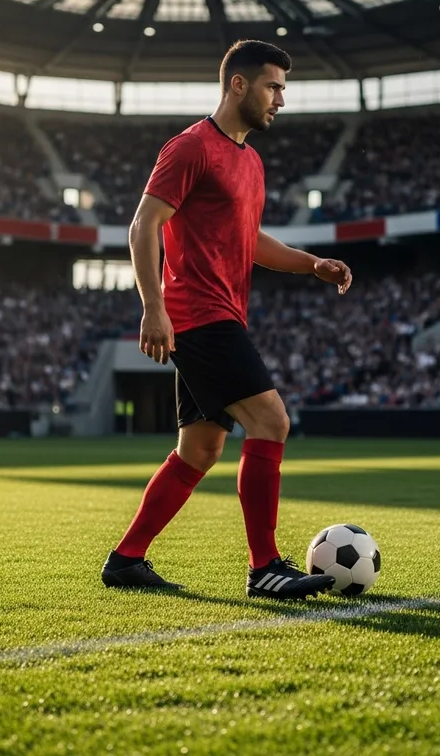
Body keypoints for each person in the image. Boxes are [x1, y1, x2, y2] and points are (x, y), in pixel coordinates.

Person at [101, 40, 352, 600]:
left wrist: (311, 263)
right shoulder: (191, 147)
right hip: (199, 315)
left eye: (283, 88)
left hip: (221, 313)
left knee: (201, 449)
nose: (281, 100)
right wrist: (153, 307)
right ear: (238, 85)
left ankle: (125, 559)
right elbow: (144, 226)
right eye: (273, 86)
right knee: (271, 421)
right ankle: (265, 566)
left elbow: (250, 239)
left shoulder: (251, 161)